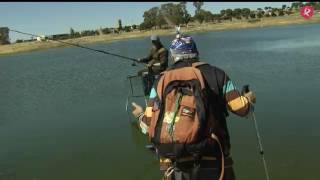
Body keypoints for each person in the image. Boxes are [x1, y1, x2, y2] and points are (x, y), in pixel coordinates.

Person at [131, 34, 256, 180]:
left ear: (173, 56)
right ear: (196, 53)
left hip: (174, 166)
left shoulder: (159, 81)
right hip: (214, 161)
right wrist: (250, 99)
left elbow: (148, 126)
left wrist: (140, 114)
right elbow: (243, 110)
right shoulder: (217, 74)